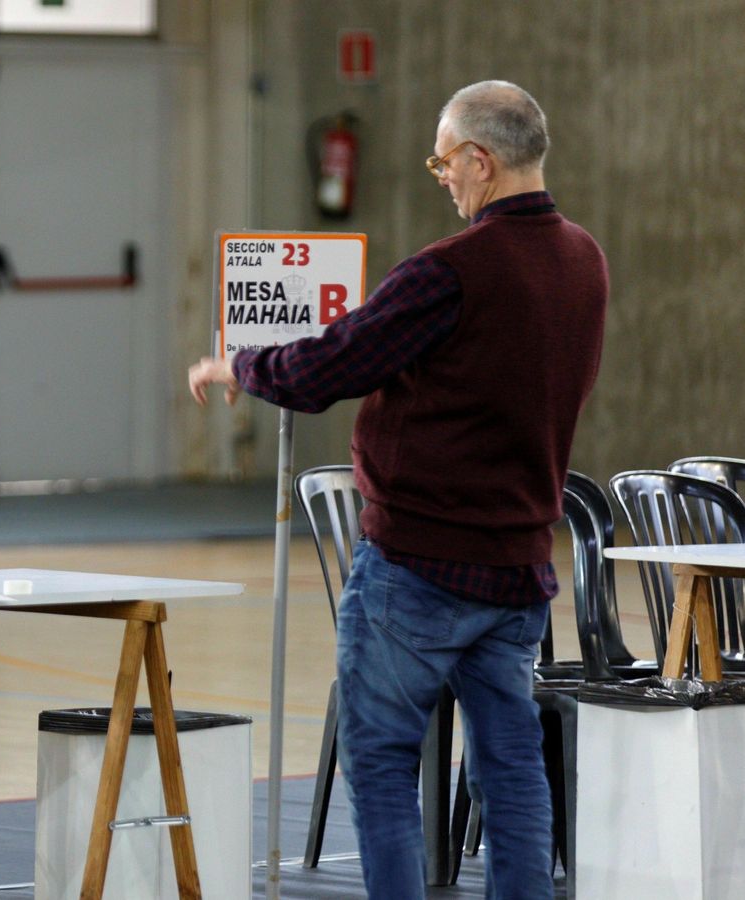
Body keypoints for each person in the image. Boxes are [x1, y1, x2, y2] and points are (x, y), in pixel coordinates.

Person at [188, 80, 606, 898]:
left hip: (420, 566)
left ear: (480, 160)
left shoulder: (451, 271)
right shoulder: (584, 260)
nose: (442, 177)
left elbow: (330, 366)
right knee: (511, 767)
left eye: (444, 162)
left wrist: (241, 366)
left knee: (380, 763)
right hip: (519, 566)